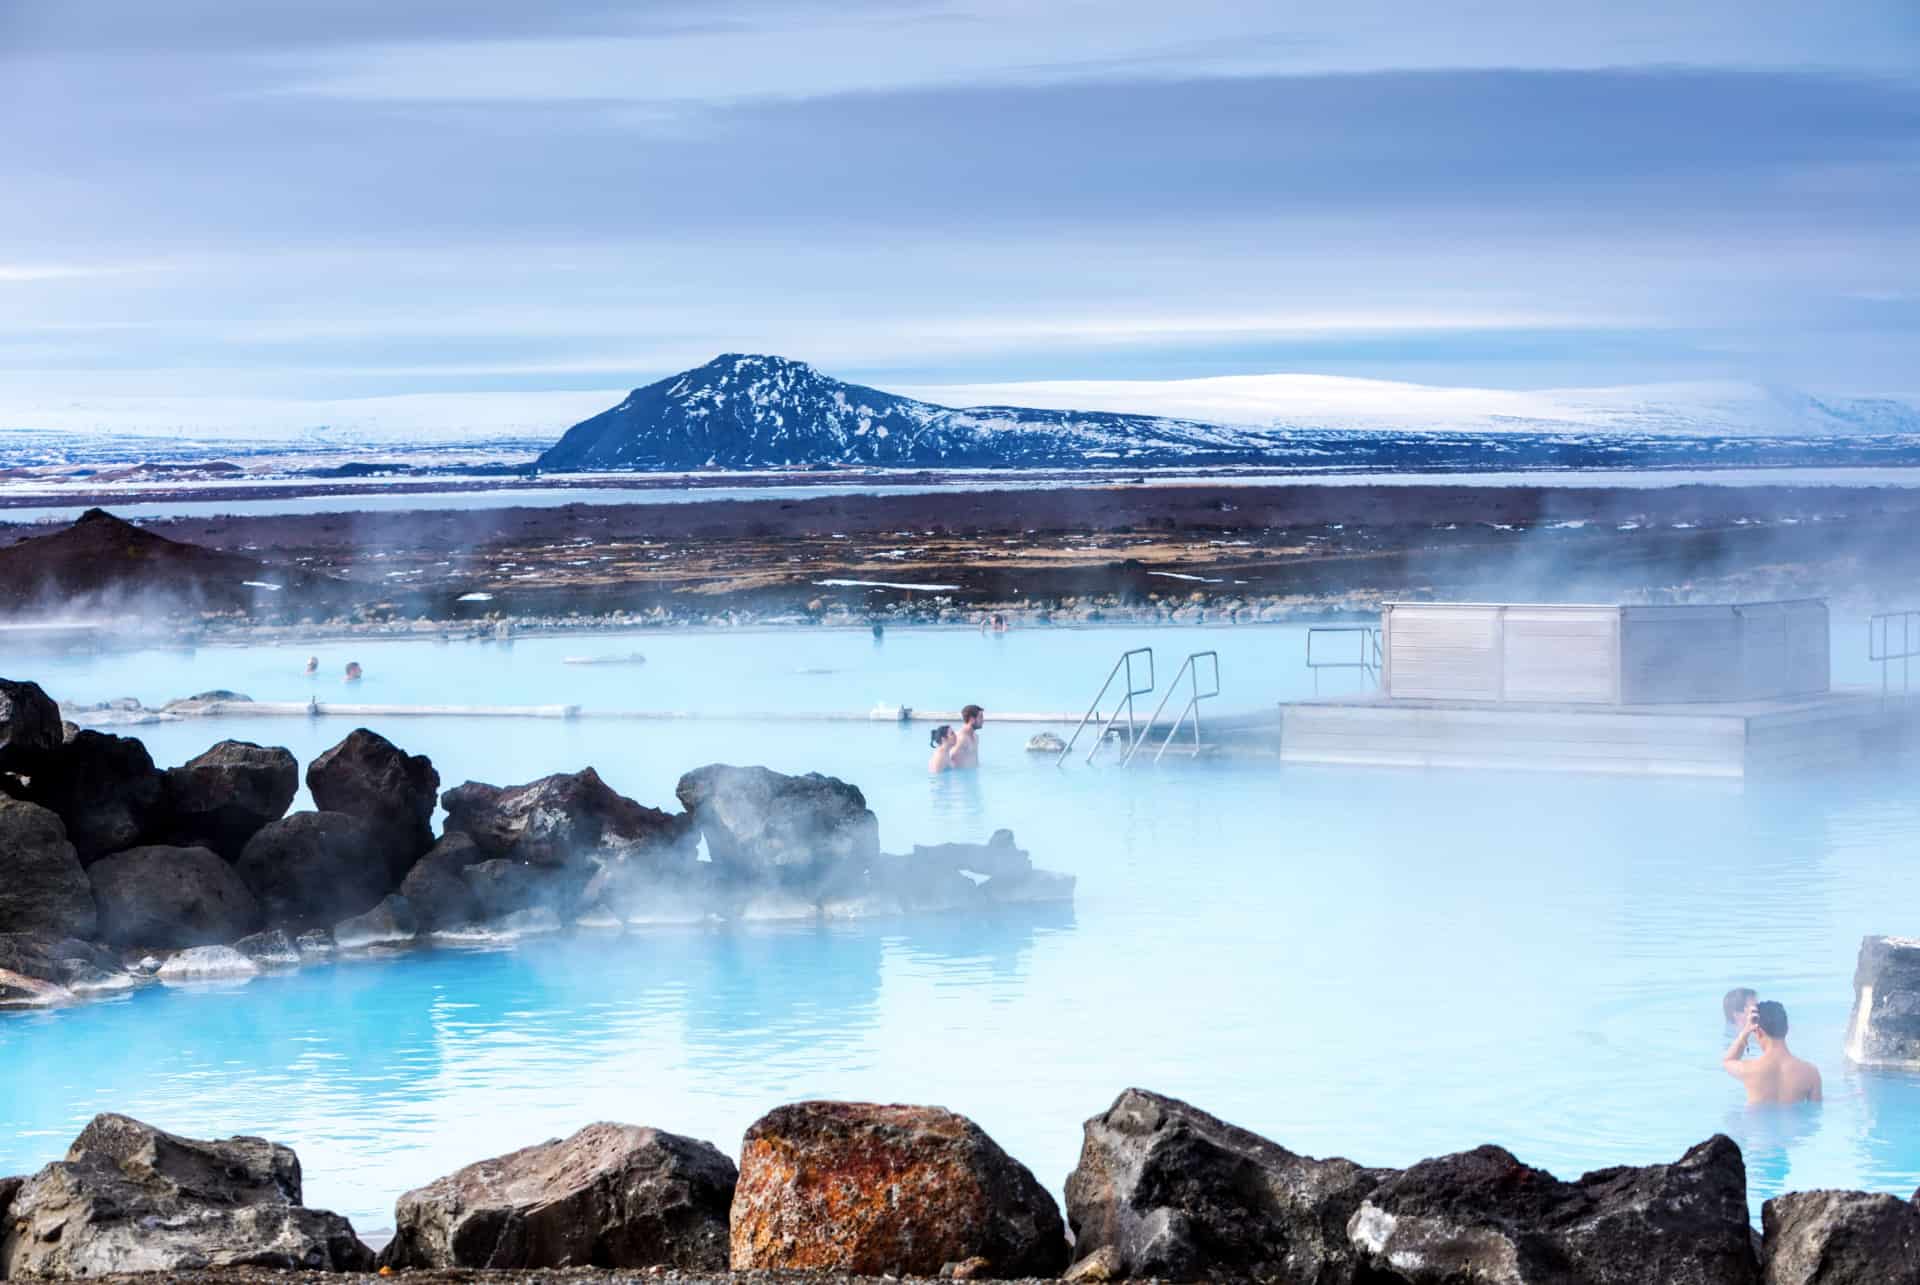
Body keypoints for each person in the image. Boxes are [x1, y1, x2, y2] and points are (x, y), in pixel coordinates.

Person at [1722, 1000, 1822, 1105]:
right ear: (1787, 1029)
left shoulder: (1748, 1069)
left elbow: (1727, 1060)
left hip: (1756, 1121)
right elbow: (1816, 1109)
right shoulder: (1811, 1073)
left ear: (1758, 1031)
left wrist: (1744, 1033)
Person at [952, 704, 984, 769]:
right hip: (962, 777)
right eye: (980, 717)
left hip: (973, 775)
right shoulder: (960, 738)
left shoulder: (976, 737)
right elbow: (951, 757)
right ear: (972, 719)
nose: (983, 720)